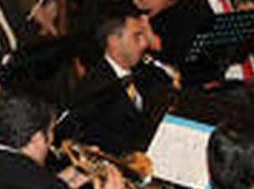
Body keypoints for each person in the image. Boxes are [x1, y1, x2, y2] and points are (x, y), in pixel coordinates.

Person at [67, 11, 175, 156]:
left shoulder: (144, 71)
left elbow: (171, 79)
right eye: (137, 36)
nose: (144, 43)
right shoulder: (95, 87)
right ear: (114, 41)